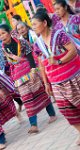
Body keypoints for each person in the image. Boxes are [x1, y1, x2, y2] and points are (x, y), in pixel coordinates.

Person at [0, 24, 57, 133]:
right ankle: (33, 125)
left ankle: (52, 114)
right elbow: (7, 64)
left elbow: (30, 57)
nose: (1, 36)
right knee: (26, 99)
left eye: (3, 33)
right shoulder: (2, 49)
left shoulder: (22, 42)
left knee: (41, 93)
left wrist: (34, 71)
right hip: (18, 77)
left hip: (30, 71)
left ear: (9, 32)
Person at [32, 11, 80, 145]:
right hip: (56, 82)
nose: (33, 27)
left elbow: (73, 50)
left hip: (73, 77)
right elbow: (42, 65)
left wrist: (59, 62)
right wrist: (46, 83)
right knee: (66, 110)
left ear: (45, 23)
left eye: (35, 24)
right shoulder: (37, 44)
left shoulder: (59, 35)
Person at [0, 28, 24, 112]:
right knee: (9, 88)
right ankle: (20, 102)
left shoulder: (3, 42)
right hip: (0, 71)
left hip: (10, 66)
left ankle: (25, 96)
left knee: (16, 84)